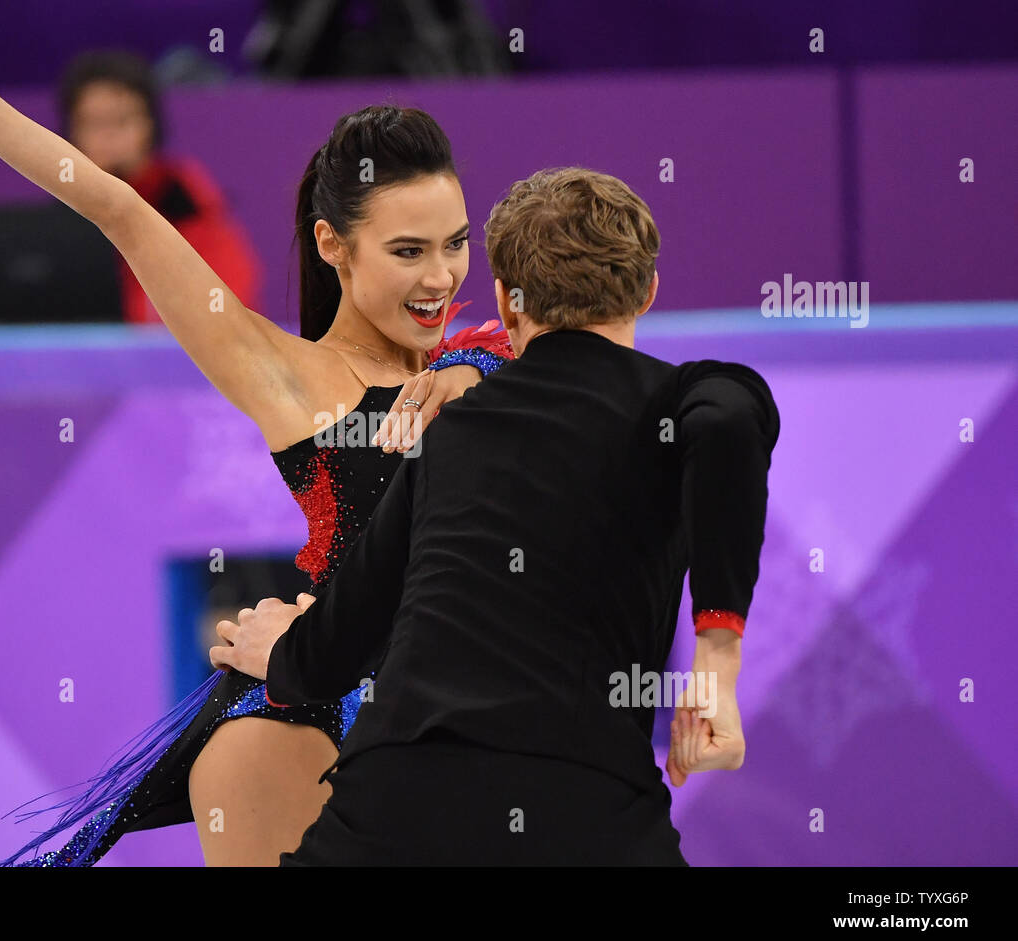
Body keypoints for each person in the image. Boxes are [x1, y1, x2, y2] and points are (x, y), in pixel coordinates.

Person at [0, 17, 513, 866]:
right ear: (334, 247)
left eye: (455, 245)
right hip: (308, 721)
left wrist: (476, 358)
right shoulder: (282, 374)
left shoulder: (499, 359)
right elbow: (121, 212)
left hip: (464, 719)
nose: (440, 278)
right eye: (408, 251)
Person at [214, 166, 781, 865]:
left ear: (508, 308)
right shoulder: (684, 399)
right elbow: (727, 427)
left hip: (393, 810)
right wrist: (716, 668)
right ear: (649, 291)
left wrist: (282, 651)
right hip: (582, 810)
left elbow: (339, 644)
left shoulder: (451, 431)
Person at [58, 50, 263, 324]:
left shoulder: (187, 201)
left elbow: (230, 304)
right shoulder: (59, 220)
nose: (108, 135)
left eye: (121, 120)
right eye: (94, 123)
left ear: (150, 126)